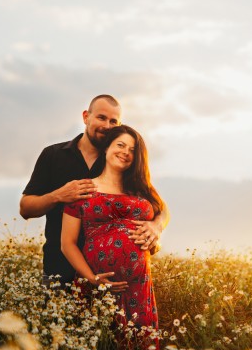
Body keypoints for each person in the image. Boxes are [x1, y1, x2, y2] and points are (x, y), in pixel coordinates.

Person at [20, 94, 169, 287]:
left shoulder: (119, 160)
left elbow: (161, 207)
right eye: (101, 118)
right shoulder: (53, 155)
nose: (107, 126)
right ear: (85, 117)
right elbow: (25, 208)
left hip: (114, 279)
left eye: (113, 121)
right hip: (60, 273)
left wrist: (156, 226)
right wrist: (58, 195)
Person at [60, 125, 163, 350]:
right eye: (121, 145)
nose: (126, 152)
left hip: (139, 289)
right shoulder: (83, 188)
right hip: (97, 287)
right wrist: (93, 280)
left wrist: (157, 226)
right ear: (107, 147)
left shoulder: (141, 190)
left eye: (133, 149)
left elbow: (163, 211)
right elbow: (67, 243)